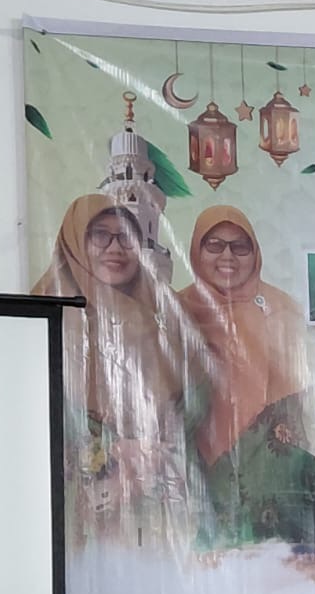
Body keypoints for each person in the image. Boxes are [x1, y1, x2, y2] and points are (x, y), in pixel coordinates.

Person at [177, 205, 315, 552]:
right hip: (196, 458)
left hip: (270, 456)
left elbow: (300, 387)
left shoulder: (282, 308)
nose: (227, 256)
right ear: (196, 250)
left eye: (240, 246)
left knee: (284, 556)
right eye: (214, 245)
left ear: (255, 253)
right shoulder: (175, 309)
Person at [32, 193, 201, 546]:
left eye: (126, 236)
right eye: (100, 236)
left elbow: (199, 393)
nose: (115, 248)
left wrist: (156, 447)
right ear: (75, 241)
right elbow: (30, 406)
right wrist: (108, 449)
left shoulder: (164, 310)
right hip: (72, 496)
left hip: (157, 497)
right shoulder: (45, 308)